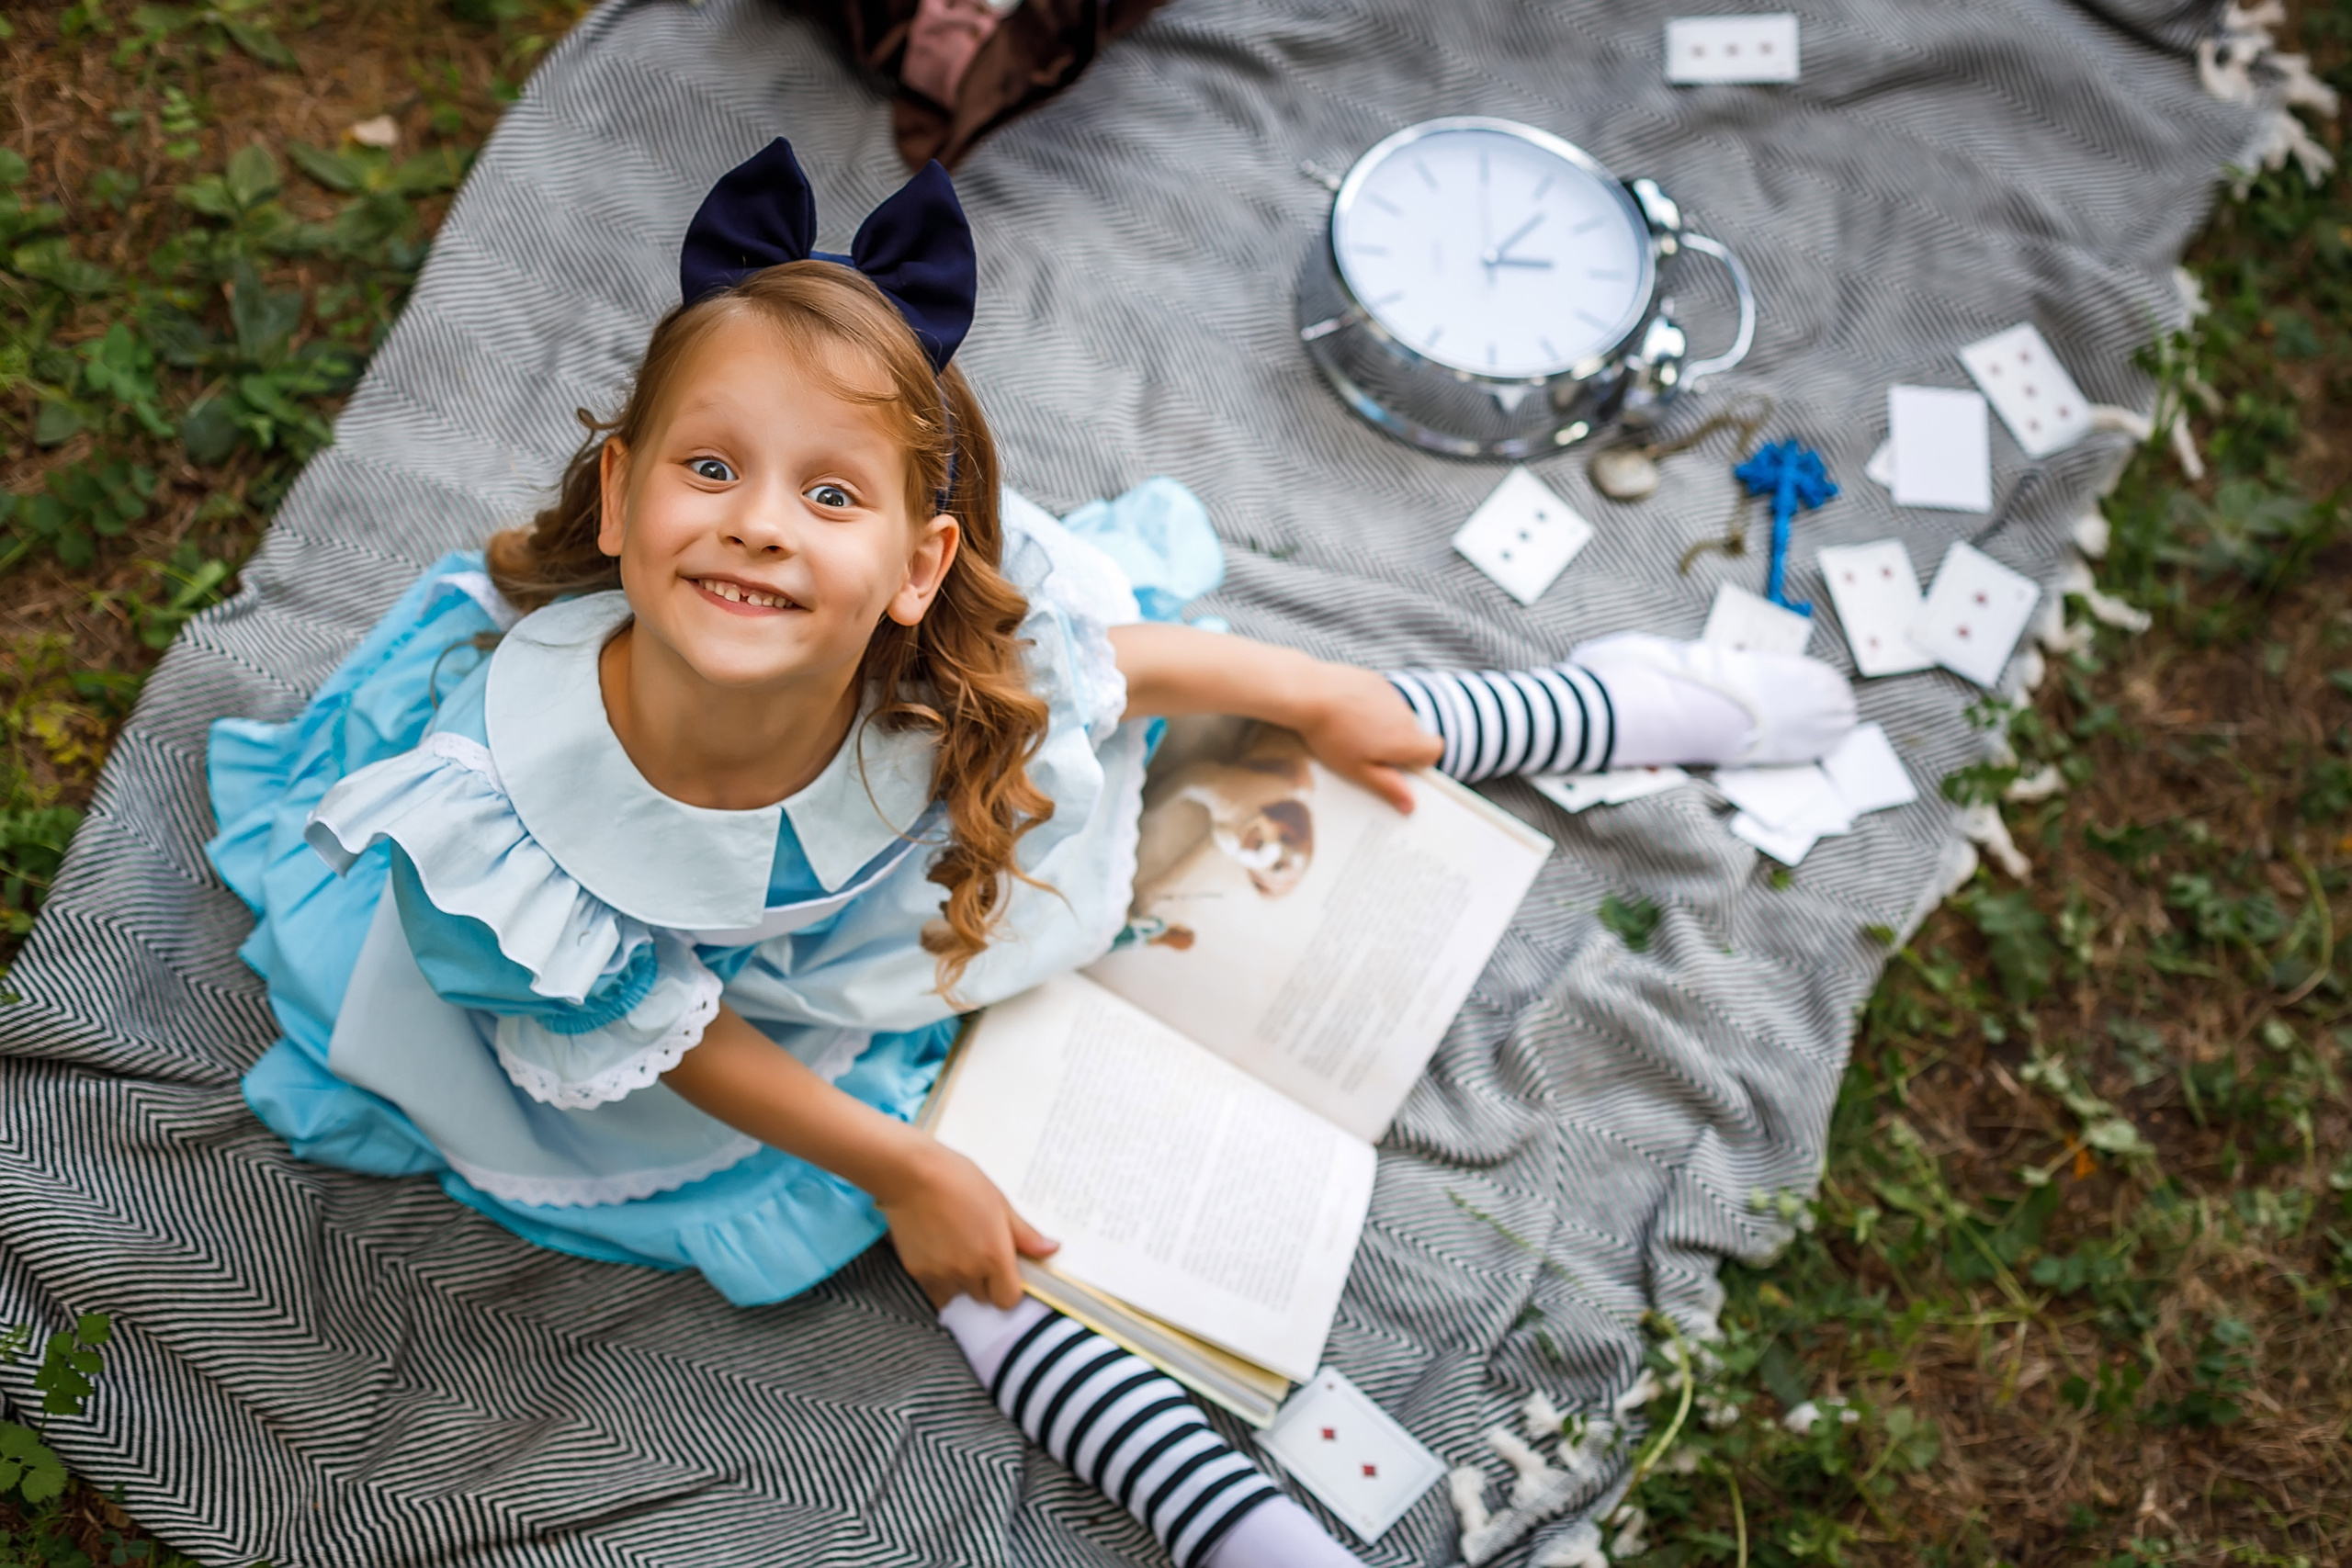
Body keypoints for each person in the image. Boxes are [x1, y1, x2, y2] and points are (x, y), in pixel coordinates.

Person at [208, 140, 1854, 1568]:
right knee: (946, 1213)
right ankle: (1210, 1506)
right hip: (728, 1019)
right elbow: (670, 1029)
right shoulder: (511, 832)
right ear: (625, 495)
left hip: (877, 897)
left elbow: (1116, 672)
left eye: (829, 496)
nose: (760, 519)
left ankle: (1563, 706)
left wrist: (1312, 693)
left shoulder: (932, 662)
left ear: (919, 567)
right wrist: (899, 1168)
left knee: (1317, 714)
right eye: (711, 469)